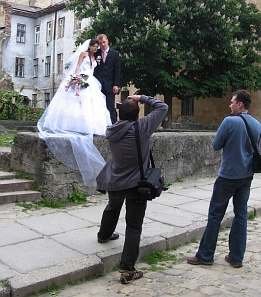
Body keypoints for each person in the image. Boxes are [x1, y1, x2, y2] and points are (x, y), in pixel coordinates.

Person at [96, 95, 168, 284]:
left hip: (116, 181)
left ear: (119, 113)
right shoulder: (143, 127)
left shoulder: (111, 131)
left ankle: (104, 235)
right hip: (137, 185)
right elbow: (162, 107)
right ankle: (127, 269)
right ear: (137, 114)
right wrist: (142, 98)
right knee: (134, 226)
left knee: (112, 206)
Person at [187, 90, 261, 268]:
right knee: (241, 215)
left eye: (232, 102)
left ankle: (205, 254)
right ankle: (236, 256)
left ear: (240, 105)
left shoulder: (229, 122)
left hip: (228, 174)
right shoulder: (257, 125)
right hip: (246, 175)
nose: (230, 105)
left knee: (215, 215)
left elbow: (215, 145)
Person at [37, 39, 111, 187]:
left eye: (97, 47)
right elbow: (76, 68)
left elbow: (93, 69)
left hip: (91, 82)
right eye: (94, 46)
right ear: (89, 46)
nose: (95, 49)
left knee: (92, 104)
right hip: (82, 79)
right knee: (77, 104)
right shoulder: (83, 54)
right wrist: (76, 79)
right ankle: (75, 125)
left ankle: (91, 126)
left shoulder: (94, 57)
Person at [94, 34, 120, 124]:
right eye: (101, 43)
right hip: (99, 85)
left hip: (110, 85)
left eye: (104, 42)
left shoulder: (115, 54)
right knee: (100, 106)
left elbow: (117, 70)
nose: (103, 44)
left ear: (107, 41)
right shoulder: (96, 53)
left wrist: (116, 84)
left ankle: (114, 125)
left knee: (110, 107)